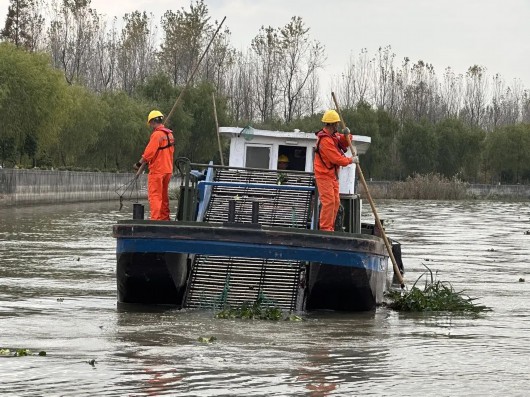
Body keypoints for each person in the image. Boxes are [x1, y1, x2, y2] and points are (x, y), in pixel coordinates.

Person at [313, 109, 358, 231]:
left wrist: (348, 134)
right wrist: (351, 160)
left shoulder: (333, 136)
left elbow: (344, 140)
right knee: (328, 202)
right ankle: (325, 229)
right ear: (332, 124)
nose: (338, 125)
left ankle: (330, 227)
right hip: (324, 175)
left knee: (336, 202)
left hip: (332, 176)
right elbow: (336, 159)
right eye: (336, 123)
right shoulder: (325, 141)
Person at [134, 110, 175, 221]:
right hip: (168, 170)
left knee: (155, 196)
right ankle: (165, 218)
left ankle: (156, 219)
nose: (150, 126)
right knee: (164, 195)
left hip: (157, 170)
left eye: (150, 123)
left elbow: (149, 153)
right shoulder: (169, 134)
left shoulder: (157, 135)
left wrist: (139, 163)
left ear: (152, 121)